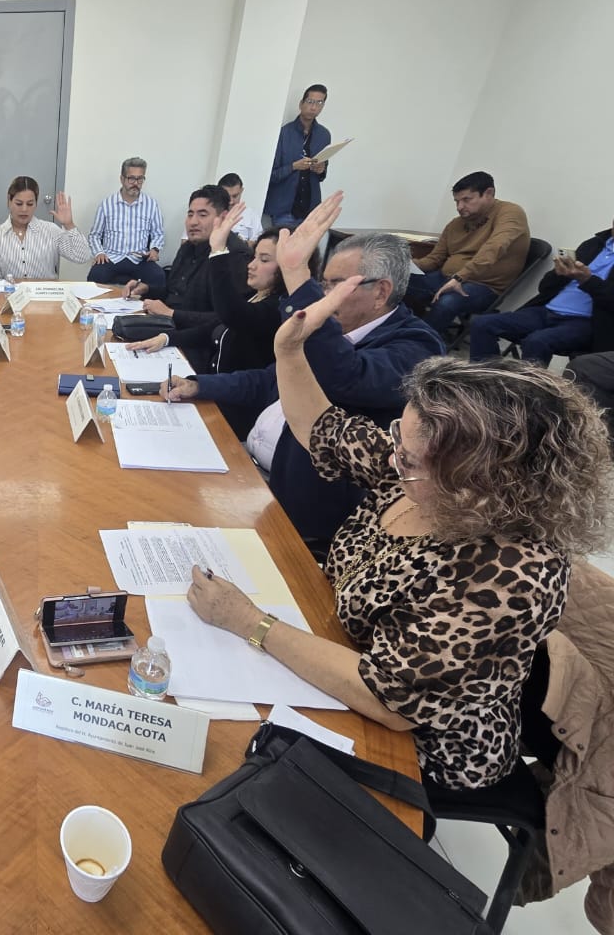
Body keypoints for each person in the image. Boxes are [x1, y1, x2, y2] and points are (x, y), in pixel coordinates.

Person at [183, 267, 612, 790]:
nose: (394, 460)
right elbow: (324, 427)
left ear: (482, 483)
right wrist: (289, 352)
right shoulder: (418, 474)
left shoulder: (509, 573)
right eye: (397, 440)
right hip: (337, 652)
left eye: (409, 458)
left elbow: (390, 700)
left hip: (421, 748)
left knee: (215, 761)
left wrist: (250, 622)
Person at [162, 192, 445, 545]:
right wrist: (199, 385)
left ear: (380, 292)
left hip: (297, 514)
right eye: (323, 284)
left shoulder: (417, 347)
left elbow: (344, 377)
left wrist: (297, 277)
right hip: (249, 469)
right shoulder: (336, 331)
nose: (325, 296)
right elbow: (269, 379)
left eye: (335, 285)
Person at [120, 189, 253, 371]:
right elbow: (175, 292)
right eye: (190, 214)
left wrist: (171, 313)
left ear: (223, 218)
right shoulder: (189, 247)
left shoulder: (234, 257)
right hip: (168, 331)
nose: (193, 222)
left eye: (202, 215)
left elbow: (225, 320)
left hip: (200, 346)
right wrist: (147, 289)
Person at [469, 219, 614, 365]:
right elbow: (544, 288)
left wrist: (587, 280)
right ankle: (485, 376)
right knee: (481, 323)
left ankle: (527, 381)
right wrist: (558, 273)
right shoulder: (594, 244)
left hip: (586, 322)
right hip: (546, 311)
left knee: (536, 341)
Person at [406, 171, 530, 339]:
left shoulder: (510, 212)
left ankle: (418, 343)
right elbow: (435, 259)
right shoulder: (455, 224)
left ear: (488, 193)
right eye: (457, 201)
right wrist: (405, 265)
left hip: (483, 285)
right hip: (446, 278)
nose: (460, 207)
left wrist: (460, 277)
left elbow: (494, 247)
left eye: (466, 200)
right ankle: (395, 333)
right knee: (397, 283)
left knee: (447, 302)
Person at [0, 175, 91, 279]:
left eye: (30, 204)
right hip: (10, 292)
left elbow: (82, 257)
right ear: (9, 201)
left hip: (45, 292)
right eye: (19, 204)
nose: (24, 209)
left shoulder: (51, 230)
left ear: (36, 204)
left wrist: (69, 224)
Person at [86, 156, 166, 289]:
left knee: (158, 277)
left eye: (140, 179)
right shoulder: (107, 204)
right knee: (95, 276)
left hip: (139, 259)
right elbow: (94, 235)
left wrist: (154, 249)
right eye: (131, 178)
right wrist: (99, 253)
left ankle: (149, 304)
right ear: (122, 179)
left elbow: (158, 234)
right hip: (111, 257)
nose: (136, 183)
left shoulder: (151, 205)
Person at [264, 85, 331, 229]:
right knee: (283, 243)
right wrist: (294, 166)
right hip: (284, 209)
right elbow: (270, 175)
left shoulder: (324, 135)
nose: (314, 107)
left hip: (310, 209)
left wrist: (321, 170)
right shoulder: (284, 133)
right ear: (301, 104)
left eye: (319, 103)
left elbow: (322, 175)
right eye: (310, 101)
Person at [215, 173, 263, 245]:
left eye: (235, 196)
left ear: (241, 191)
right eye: (227, 196)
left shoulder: (251, 215)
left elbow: (258, 243)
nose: (231, 201)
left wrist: (241, 243)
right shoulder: (213, 212)